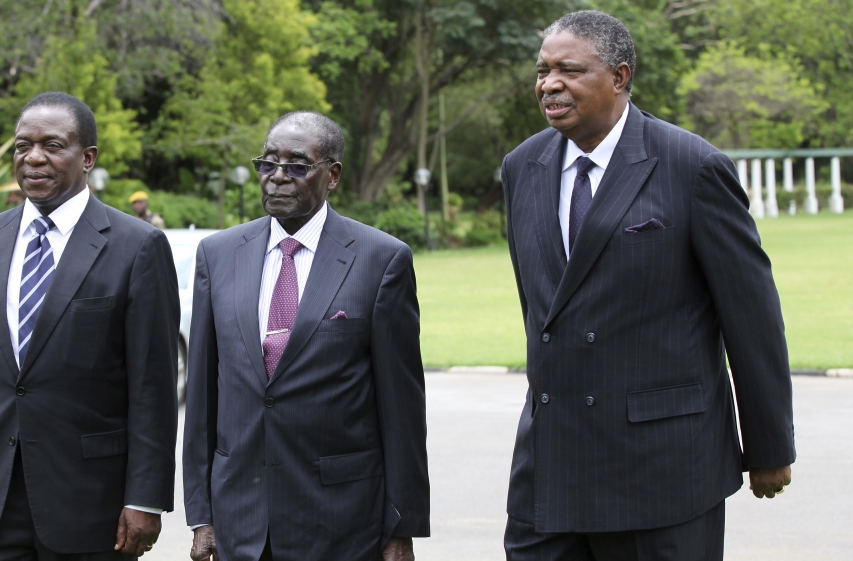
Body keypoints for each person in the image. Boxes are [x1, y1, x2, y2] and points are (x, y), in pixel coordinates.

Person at [500, 11, 795, 560]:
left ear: (620, 77)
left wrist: (769, 446)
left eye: (569, 70)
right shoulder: (522, 166)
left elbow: (751, 317)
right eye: (542, 71)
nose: (550, 84)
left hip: (662, 472)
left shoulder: (692, 165)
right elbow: (540, 311)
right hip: (549, 469)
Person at [0, 92, 180, 560]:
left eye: (52, 145)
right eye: (23, 146)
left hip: (92, 508)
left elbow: (154, 389)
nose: (34, 157)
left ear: (87, 158)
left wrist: (145, 498)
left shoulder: (138, 246)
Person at [182, 111, 430, 561]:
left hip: (341, 522)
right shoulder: (217, 255)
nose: (277, 177)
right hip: (242, 520)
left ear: (332, 175)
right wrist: (201, 514)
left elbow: (402, 410)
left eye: (297, 166)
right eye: (268, 164)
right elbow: (201, 396)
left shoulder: (381, 260)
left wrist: (402, 526)